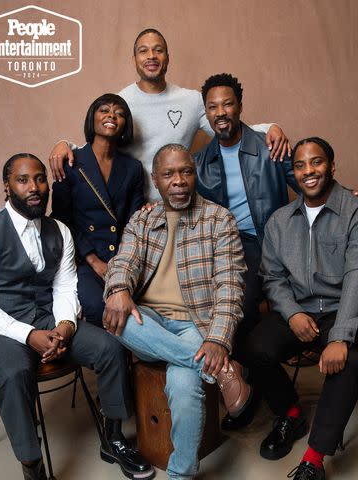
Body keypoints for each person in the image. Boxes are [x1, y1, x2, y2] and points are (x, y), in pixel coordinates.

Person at [0, 154, 154, 480]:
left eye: (40, 179)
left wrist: (65, 327)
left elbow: (65, 288)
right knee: (15, 372)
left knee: (110, 347)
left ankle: (113, 438)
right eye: (23, 180)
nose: (34, 188)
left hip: (48, 318)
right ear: (7, 186)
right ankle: (33, 466)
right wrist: (29, 336)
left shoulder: (60, 230)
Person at [102, 143, 249, 480]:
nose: (179, 180)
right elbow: (123, 260)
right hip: (148, 320)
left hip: (195, 323)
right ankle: (224, 371)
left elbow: (230, 288)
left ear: (194, 175)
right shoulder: (142, 218)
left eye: (185, 171)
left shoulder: (219, 219)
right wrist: (120, 288)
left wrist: (218, 340)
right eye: (168, 174)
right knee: (119, 321)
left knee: (184, 387)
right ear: (156, 179)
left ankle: (180, 475)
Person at [48, 29, 291, 201]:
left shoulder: (192, 100)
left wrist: (271, 127)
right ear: (134, 60)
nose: (151, 56)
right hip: (134, 206)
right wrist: (66, 145)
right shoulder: (121, 102)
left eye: (158, 50)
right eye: (143, 51)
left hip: (181, 202)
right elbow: (100, 147)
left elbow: (228, 129)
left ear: (167, 58)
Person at [243, 137, 358, 479]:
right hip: (299, 309)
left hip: (342, 310)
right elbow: (272, 277)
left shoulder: (353, 211)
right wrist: (292, 313)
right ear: (292, 173)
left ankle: (313, 458)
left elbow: (356, 275)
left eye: (317, 162)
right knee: (253, 348)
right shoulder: (280, 221)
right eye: (300, 165)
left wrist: (340, 336)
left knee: (349, 360)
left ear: (332, 166)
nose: (309, 171)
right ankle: (290, 413)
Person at [194, 72, 300, 429]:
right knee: (225, 307)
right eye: (212, 107)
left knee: (237, 304)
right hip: (225, 247)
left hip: (265, 242)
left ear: (240, 107)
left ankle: (260, 396)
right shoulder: (200, 162)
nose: (220, 112)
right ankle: (251, 389)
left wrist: (344, 197)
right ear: (206, 114)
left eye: (227, 104)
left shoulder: (268, 146)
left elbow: (307, 180)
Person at [51, 93, 144, 327]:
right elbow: (62, 221)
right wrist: (93, 261)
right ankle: (116, 360)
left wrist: (122, 262)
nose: (112, 115)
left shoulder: (133, 167)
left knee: (141, 308)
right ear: (92, 118)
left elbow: (135, 221)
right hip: (84, 258)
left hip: (122, 259)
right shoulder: (71, 163)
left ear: (125, 125)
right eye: (104, 110)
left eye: (120, 113)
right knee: (96, 308)